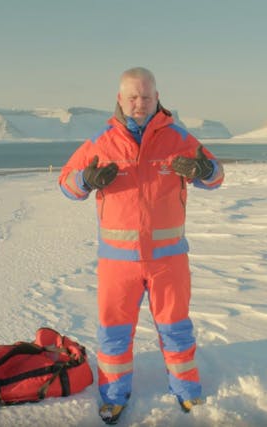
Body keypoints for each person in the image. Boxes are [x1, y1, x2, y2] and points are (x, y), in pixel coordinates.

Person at [58, 67, 224, 424]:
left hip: (169, 260)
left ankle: (187, 392)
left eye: (146, 97)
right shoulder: (101, 142)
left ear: (157, 97)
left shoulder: (178, 137)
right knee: (114, 333)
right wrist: (85, 179)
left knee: (176, 328)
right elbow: (65, 185)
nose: (140, 103)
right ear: (120, 98)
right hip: (118, 263)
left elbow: (217, 176)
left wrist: (202, 171)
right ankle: (114, 396)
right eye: (133, 96)